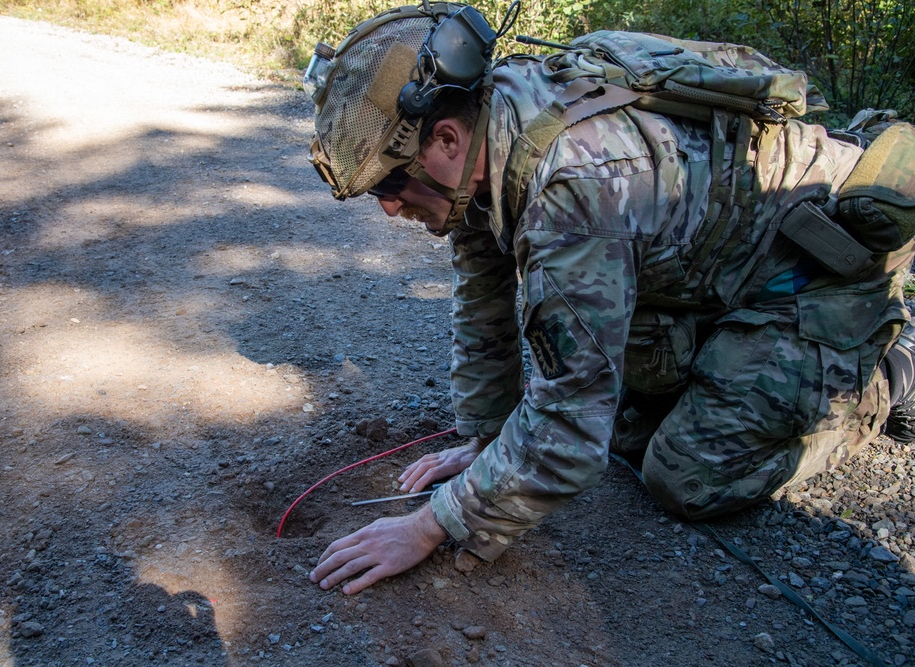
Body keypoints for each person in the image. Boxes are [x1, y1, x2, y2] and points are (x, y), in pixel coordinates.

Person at [302, 1, 915, 595]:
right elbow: (482, 299)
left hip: (812, 273)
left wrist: (431, 525)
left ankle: (886, 369)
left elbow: (567, 430)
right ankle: (733, 361)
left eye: (391, 181)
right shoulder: (490, 129)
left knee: (685, 475)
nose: (387, 205)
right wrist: (486, 437)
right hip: (715, 265)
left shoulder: (572, 190)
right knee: (624, 426)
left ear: (445, 138)